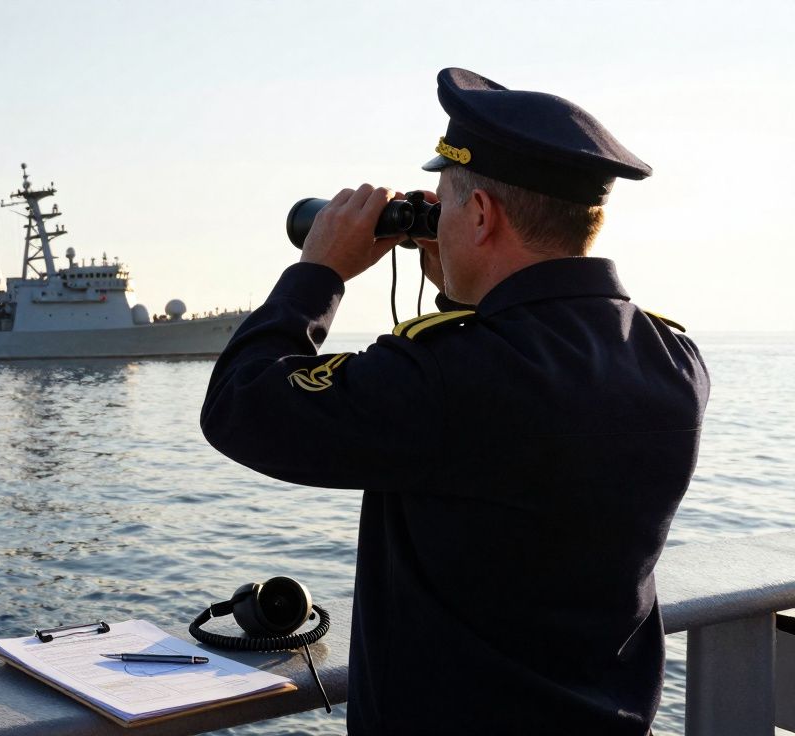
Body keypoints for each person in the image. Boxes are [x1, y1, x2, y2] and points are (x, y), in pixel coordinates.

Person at [201, 68, 709, 735]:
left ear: (480, 215)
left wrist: (317, 271)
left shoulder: (447, 376)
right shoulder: (673, 359)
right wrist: (472, 291)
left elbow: (241, 405)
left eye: (446, 202)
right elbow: (507, 410)